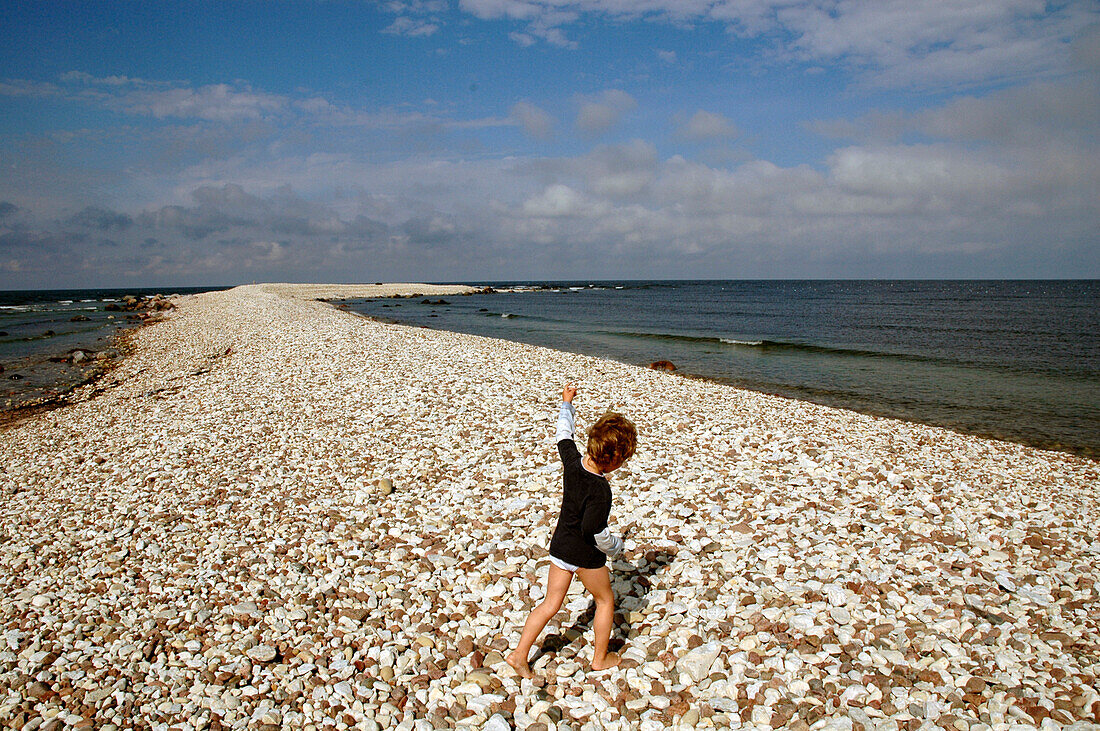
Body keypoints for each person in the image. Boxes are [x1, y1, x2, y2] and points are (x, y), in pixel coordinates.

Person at [506, 383, 637, 678]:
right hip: (585, 555)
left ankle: (519, 654)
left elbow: (563, 434)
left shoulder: (572, 462)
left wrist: (567, 403)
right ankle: (600, 659)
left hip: (561, 546)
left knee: (551, 603)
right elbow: (595, 530)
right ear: (614, 460)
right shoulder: (601, 490)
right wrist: (616, 547)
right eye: (623, 460)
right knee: (605, 600)